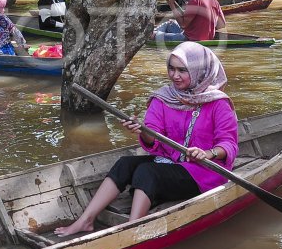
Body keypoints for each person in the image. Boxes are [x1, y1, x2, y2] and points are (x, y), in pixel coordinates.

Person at [54, 42, 238, 236]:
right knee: (125, 164)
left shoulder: (218, 103)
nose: (175, 76)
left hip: (204, 172)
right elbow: (153, 138)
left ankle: (132, 230)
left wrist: (207, 153)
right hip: (171, 162)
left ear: (199, 71)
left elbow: (229, 144)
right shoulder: (164, 97)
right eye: (171, 69)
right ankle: (86, 220)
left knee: (147, 172)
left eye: (182, 70)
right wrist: (142, 131)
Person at [156, 0, 225, 41]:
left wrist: (172, 5)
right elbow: (222, 24)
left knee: (152, 34)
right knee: (171, 23)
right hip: (208, 38)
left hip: (189, 39)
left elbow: (183, 25)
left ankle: (153, 34)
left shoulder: (195, 1)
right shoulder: (215, 1)